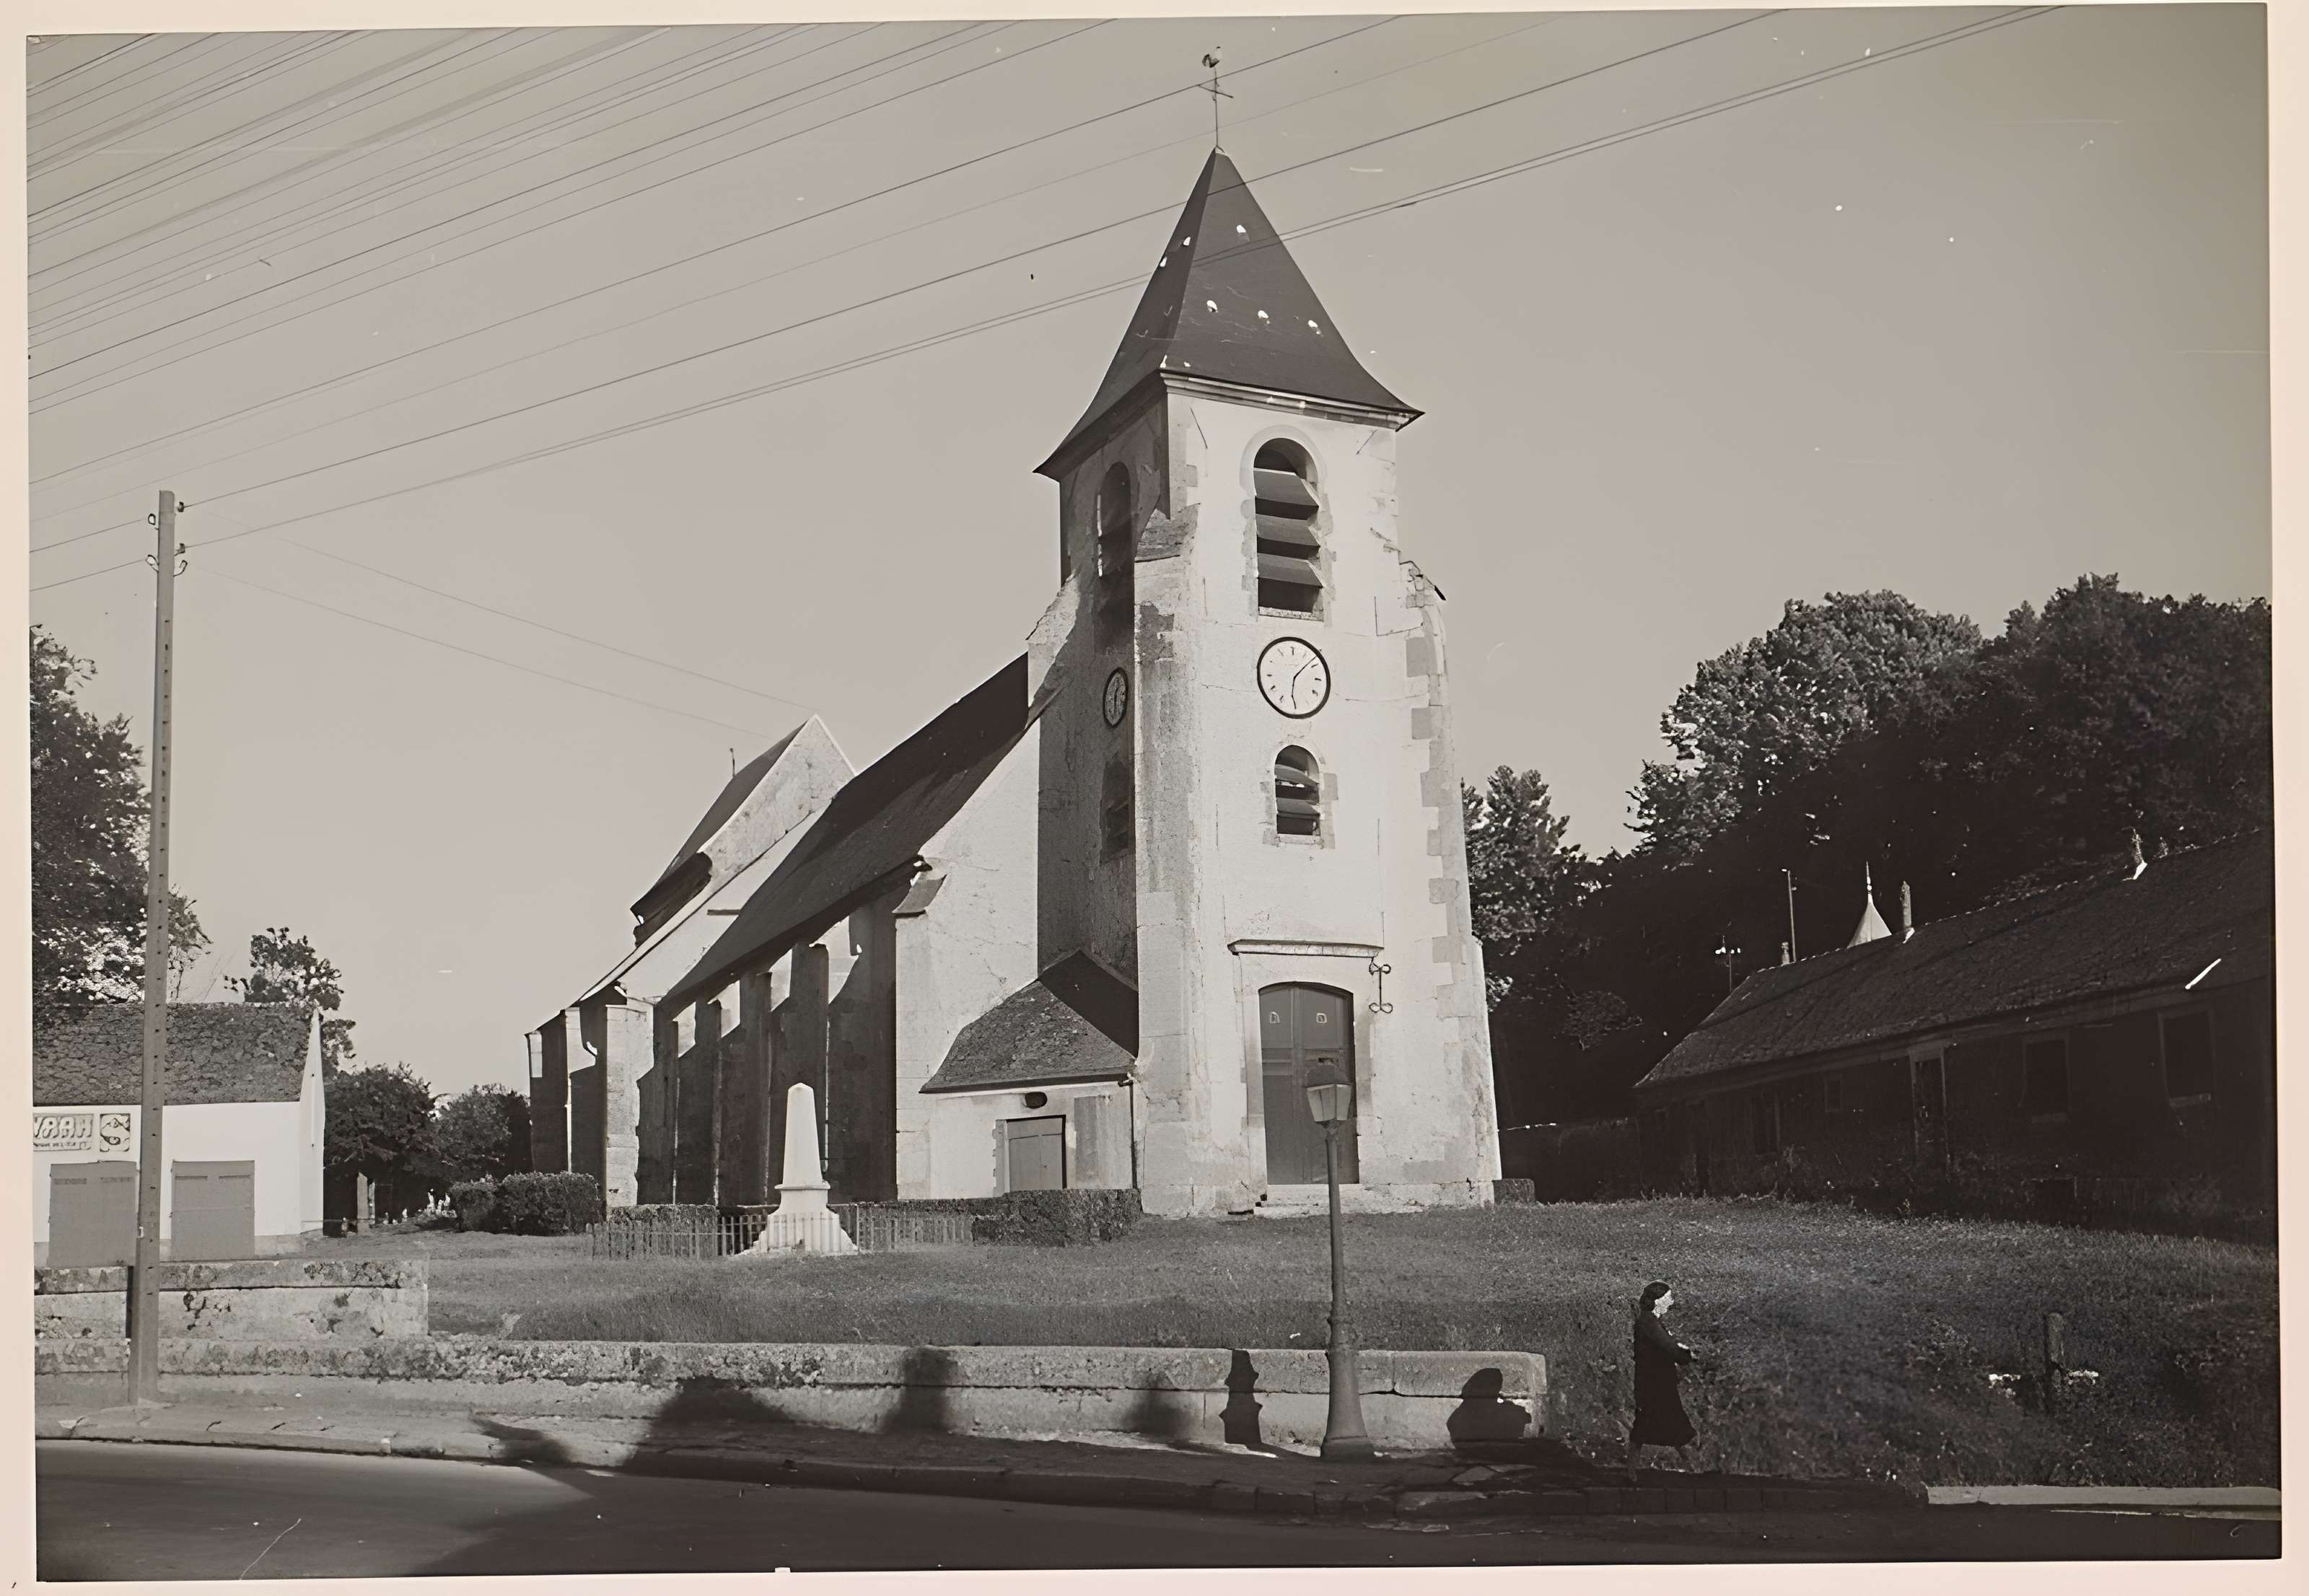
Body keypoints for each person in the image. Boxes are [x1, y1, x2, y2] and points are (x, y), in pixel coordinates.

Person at [1625, 1280, 1700, 1479]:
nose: (1672, 1302)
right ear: (1658, 1301)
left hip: (1655, 1381)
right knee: (1658, 1423)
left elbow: (1663, 1344)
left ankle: (1693, 1468)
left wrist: (1678, 1348)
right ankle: (1693, 1469)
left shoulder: (1650, 1321)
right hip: (1655, 1383)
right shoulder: (1649, 1323)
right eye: (1668, 1298)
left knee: (1665, 1423)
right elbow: (1668, 1347)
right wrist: (1686, 1355)